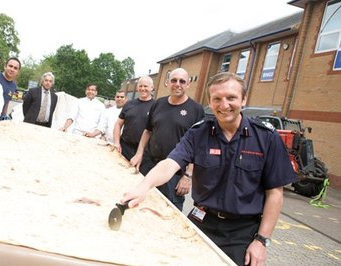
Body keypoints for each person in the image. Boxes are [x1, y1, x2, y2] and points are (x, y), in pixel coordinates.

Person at [121, 72, 297, 266]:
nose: (224, 105)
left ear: (244, 99)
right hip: (201, 220)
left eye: (231, 98)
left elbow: (275, 194)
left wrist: (262, 241)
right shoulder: (199, 132)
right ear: (210, 102)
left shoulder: (266, 138)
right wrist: (144, 186)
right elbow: (170, 164)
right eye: (217, 99)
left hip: (242, 231)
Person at [130, 68, 205, 210]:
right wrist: (139, 153)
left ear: (188, 84)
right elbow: (147, 131)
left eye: (182, 81)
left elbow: (199, 147)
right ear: (167, 83)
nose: (178, 84)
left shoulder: (196, 110)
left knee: (167, 211)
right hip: (149, 166)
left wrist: (188, 176)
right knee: (140, 204)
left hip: (175, 174)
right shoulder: (158, 104)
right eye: (174, 80)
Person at [113, 76, 155, 160]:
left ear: (152, 87)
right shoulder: (129, 104)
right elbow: (118, 124)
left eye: (145, 86)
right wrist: (117, 143)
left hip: (144, 152)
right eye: (140, 86)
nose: (143, 88)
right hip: (124, 148)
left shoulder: (156, 106)